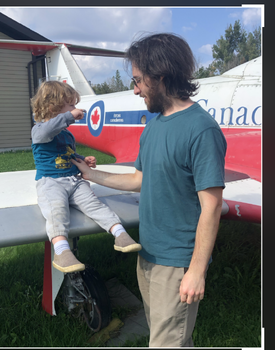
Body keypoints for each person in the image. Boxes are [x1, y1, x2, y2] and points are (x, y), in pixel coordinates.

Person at [72, 33, 227, 347]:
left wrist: (196, 271)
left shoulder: (202, 130)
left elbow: (211, 208)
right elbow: (137, 180)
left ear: (161, 76)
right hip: (149, 254)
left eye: (139, 80)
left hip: (178, 262)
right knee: (168, 337)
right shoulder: (154, 124)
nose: (135, 89)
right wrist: (91, 174)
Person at [31, 80, 141, 274]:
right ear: (53, 107)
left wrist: (82, 159)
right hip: (51, 182)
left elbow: (67, 153)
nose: (75, 108)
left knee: (94, 205)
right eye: (71, 105)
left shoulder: (66, 135)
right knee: (57, 212)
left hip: (74, 181)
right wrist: (69, 116)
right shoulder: (39, 130)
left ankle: (120, 234)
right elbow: (47, 132)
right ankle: (62, 252)